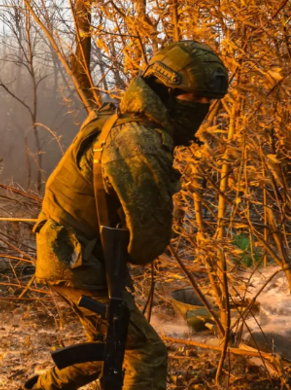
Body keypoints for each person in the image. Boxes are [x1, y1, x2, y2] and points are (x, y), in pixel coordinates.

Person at [26, 41, 229, 389]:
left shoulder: (121, 119)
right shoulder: (138, 141)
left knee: (107, 347)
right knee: (146, 352)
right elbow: (146, 245)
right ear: (165, 91)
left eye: (207, 101)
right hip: (75, 257)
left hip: (74, 253)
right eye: (194, 98)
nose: (202, 108)